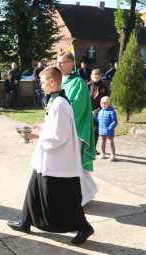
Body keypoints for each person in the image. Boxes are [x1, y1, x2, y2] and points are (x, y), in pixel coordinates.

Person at [7, 66, 94, 245]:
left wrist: (35, 135)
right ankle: (25, 221)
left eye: (42, 81)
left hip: (58, 162)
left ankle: (84, 227)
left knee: (66, 198)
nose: (41, 85)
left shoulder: (60, 104)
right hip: (47, 159)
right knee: (33, 190)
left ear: (52, 81)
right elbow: (53, 126)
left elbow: (59, 136)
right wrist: (40, 127)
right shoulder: (55, 101)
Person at [57, 52, 97, 206]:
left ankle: (84, 196)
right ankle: (89, 190)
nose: (59, 65)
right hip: (63, 128)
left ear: (71, 63)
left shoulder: (78, 82)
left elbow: (76, 108)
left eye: (62, 62)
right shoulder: (60, 80)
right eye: (57, 62)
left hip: (76, 129)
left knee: (74, 165)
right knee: (71, 165)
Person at [88, 68, 110, 153]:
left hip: (99, 111)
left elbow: (106, 99)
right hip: (88, 111)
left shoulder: (104, 86)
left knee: (96, 130)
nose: (95, 77)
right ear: (91, 76)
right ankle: (86, 148)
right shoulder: (87, 85)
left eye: (97, 75)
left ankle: (93, 148)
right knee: (87, 130)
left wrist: (97, 111)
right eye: (94, 75)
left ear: (100, 76)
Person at [97, 96, 117, 161]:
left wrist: (110, 128)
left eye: (105, 103)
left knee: (110, 142)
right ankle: (102, 153)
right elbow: (98, 120)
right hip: (101, 130)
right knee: (102, 142)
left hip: (109, 131)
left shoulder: (112, 112)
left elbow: (115, 121)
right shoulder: (100, 112)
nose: (103, 105)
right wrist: (94, 117)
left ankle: (113, 155)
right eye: (102, 103)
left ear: (109, 103)